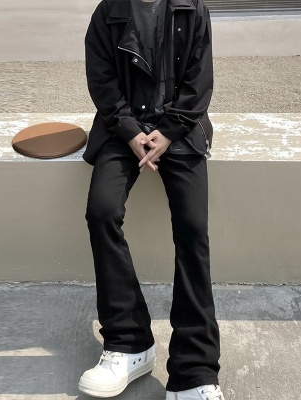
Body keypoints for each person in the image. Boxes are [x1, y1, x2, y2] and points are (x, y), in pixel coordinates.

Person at [78, 0, 224, 398]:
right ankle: (129, 343)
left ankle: (194, 370)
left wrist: (169, 131)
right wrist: (130, 131)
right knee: (102, 212)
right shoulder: (108, 11)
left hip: (181, 130)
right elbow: (102, 81)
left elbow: (200, 80)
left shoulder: (192, 8)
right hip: (122, 131)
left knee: (193, 230)